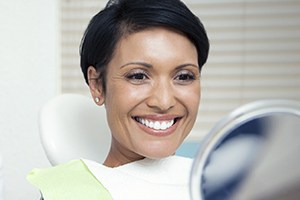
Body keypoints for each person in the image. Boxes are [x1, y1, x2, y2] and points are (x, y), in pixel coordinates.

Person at [27, 0, 209, 199]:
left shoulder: (220, 184)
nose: (164, 101)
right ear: (97, 85)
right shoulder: (71, 194)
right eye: (138, 76)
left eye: (184, 76)